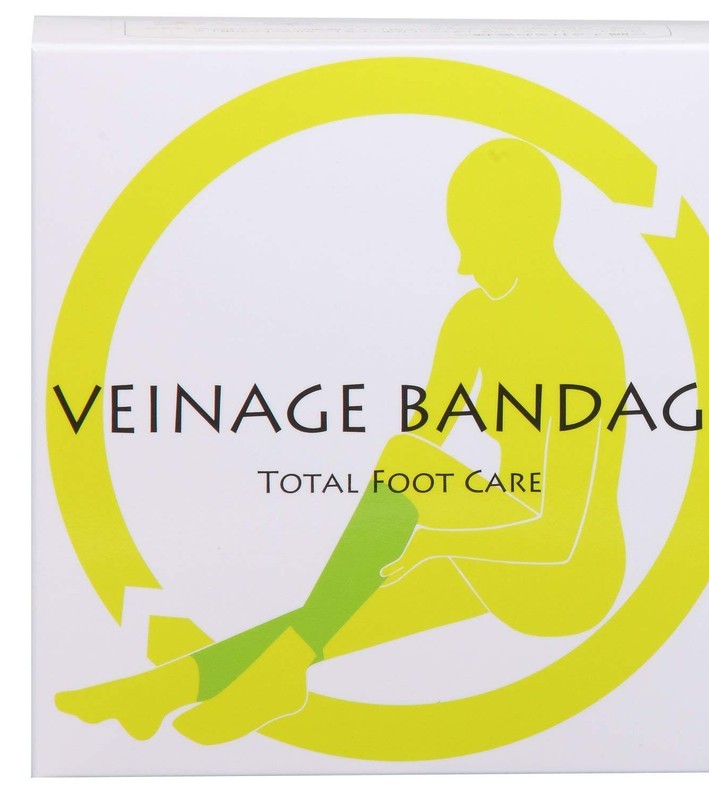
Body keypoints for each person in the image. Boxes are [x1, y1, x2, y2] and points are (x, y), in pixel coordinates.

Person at [56, 138, 627, 745]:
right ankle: (163, 689)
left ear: (523, 229)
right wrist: (375, 538)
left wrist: (433, 541)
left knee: (390, 492)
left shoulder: (584, 335)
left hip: (570, 579)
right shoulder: (472, 317)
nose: (463, 265)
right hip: (496, 544)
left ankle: (264, 678)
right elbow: (419, 447)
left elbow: (557, 535)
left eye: (475, 242)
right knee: (326, 617)